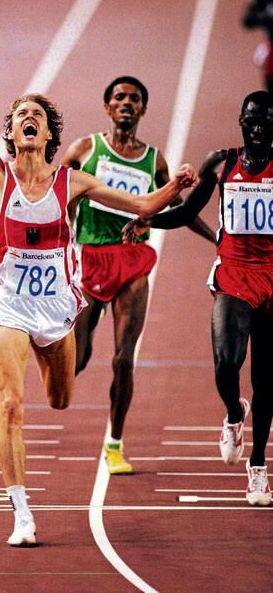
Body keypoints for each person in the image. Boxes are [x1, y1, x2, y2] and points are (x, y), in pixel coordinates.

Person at [0, 9, 198, 545]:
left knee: (59, 399)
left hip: (57, 309)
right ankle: (22, 513)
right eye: (20, 114)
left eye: (38, 114)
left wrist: (180, 188)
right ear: (10, 133)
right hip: (8, 306)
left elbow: (143, 202)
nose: (28, 117)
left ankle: (60, 377)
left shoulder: (72, 182)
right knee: (11, 405)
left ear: (50, 133)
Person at [60, 77, 216, 475]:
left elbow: (177, 207)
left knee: (124, 358)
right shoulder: (85, 148)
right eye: (119, 97)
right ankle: (69, 357)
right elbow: (56, 190)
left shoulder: (154, 161)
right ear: (107, 107)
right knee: (77, 359)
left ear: (143, 110)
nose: (126, 103)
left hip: (132, 262)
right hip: (90, 258)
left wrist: (217, 238)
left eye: (134, 99)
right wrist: (61, 240)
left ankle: (114, 443)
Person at [124, 90, 272, 506]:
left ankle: (258, 465)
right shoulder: (221, 162)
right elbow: (189, 213)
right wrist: (147, 220)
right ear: (240, 120)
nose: (258, 128)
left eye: (266, 122)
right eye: (251, 120)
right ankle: (232, 414)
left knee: (266, 379)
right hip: (233, 273)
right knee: (227, 363)